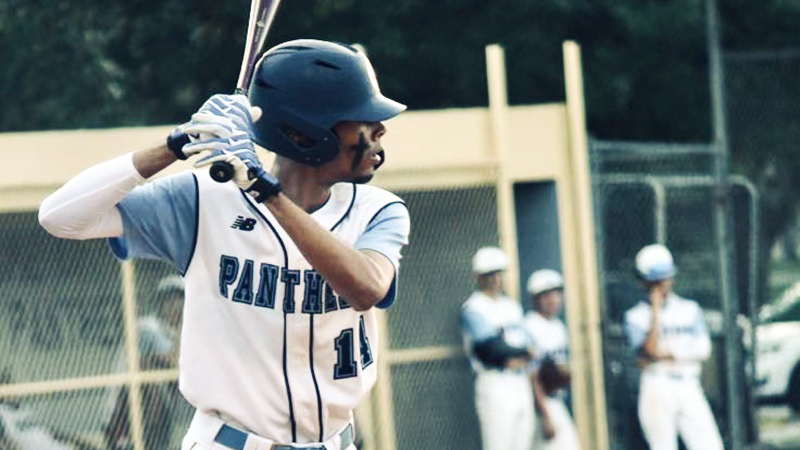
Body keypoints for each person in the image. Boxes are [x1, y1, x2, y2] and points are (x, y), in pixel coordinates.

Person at [39, 39, 410, 450]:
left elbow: (367, 287)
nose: (379, 129)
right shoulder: (203, 200)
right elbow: (59, 217)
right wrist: (177, 144)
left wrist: (264, 189)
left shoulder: (377, 209)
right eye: (360, 118)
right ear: (304, 134)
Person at [624, 244, 724, 450]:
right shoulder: (635, 316)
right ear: (644, 281)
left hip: (688, 383)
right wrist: (656, 311)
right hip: (657, 385)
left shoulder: (689, 309)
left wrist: (670, 353)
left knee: (710, 445)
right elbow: (649, 352)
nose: (662, 285)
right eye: (655, 281)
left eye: (665, 279)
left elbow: (703, 349)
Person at [460, 247, 534, 450]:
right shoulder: (473, 308)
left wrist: (521, 353)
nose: (495, 279)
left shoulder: (512, 306)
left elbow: (530, 345)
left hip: (520, 381)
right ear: (477, 276)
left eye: (498, 272)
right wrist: (522, 352)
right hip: (495, 382)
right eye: (488, 274)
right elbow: (490, 350)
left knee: (523, 445)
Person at [104, 274, 185, 450]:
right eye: (169, 301)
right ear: (159, 303)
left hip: (155, 422)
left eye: (180, 302)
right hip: (124, 414)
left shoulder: (171, 333)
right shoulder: (147, 327)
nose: (175, 308)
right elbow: (173, 361)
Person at [523, 269, 581, 450]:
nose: (553, 299)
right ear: (535, 299)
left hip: (555, 400)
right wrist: (545, 415)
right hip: (539, 405)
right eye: (546, 295)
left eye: (557, 294)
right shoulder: (529, 327)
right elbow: (531, 376)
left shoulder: (558, 326)